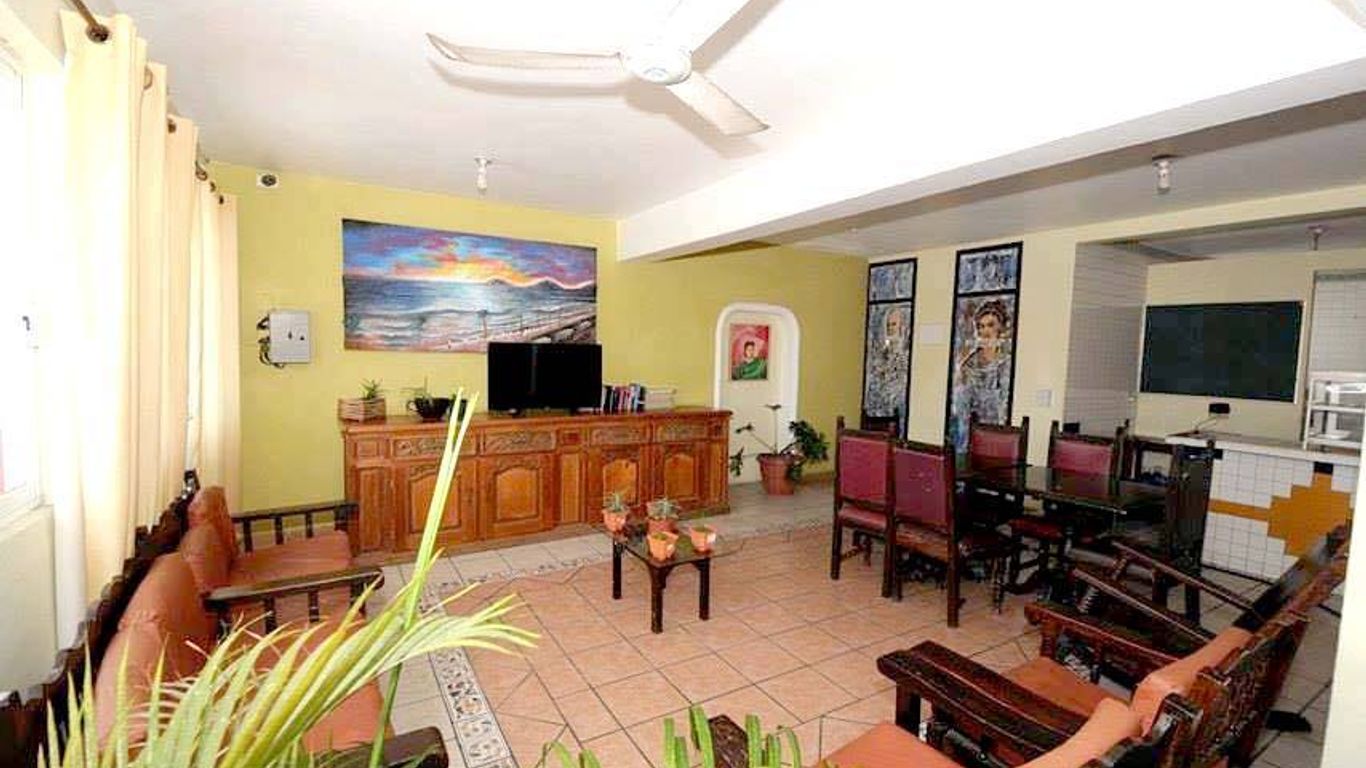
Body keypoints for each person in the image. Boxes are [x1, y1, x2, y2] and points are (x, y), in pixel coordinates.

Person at [951, 299, 1013, 451]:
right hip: (968, 438)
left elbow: (1004, 406)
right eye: (981, 326)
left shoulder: (1006, 363)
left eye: (991, 325)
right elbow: (959, 407)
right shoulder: (968, 364)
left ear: (1001, 329)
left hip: (997, 437)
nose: (985, 331)